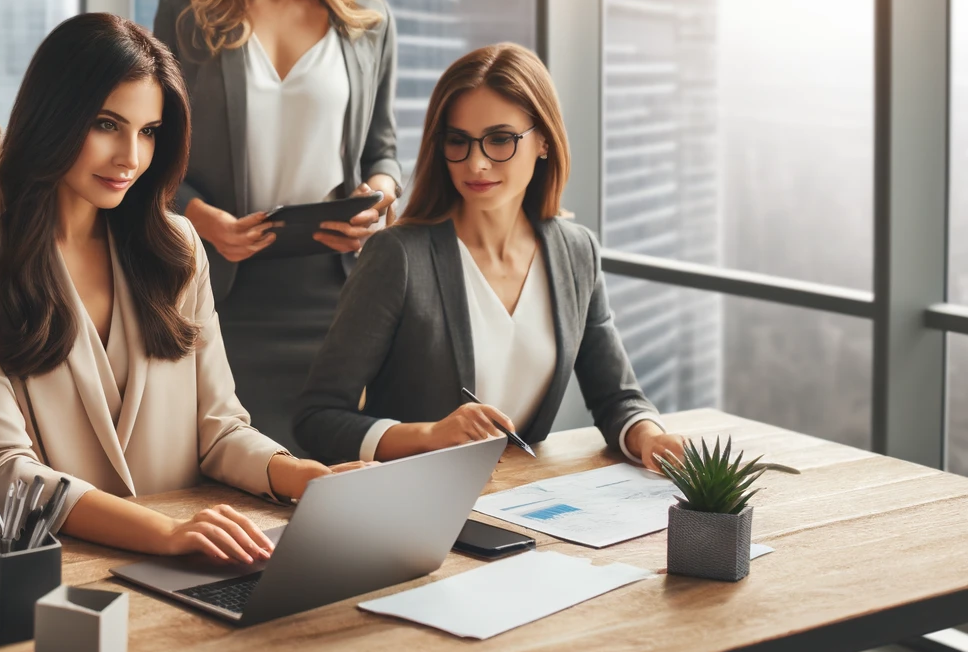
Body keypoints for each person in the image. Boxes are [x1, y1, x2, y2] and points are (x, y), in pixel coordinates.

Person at [0, 14, 341, 566]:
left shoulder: (178, 247)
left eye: (148, 132)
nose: (131, 157)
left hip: (185, 562)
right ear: (53, 118)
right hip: (39, 568)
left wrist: (305, 477)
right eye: (107, 124)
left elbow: (218, 431)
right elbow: (4, 471)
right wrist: (165, 533)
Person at [292, 44, 692, 472]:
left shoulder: (577, 253)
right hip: (416, 507)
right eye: (458, 141)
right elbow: (318, 420)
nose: (476, 163)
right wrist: (428, 435)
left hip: (521, 502)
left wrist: (650, 438)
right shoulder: (398, 256)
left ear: (543, 141)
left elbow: (617, 398)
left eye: (500, 139)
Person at [152, 0, 401, 454]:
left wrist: (377, 196)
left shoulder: (367, 22)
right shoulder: (184, 16)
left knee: (332, 472)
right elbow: (152, 152)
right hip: (221, 287)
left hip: (337, 288)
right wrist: (203, 219)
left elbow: (383, 148)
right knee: (228, 470)